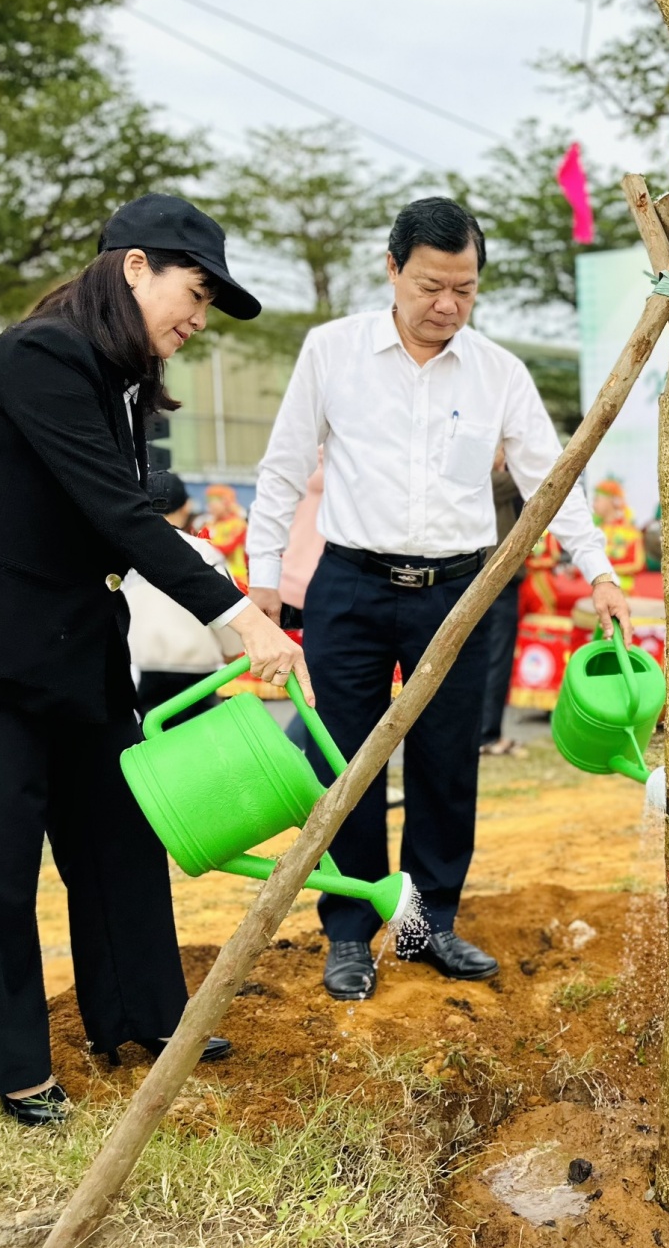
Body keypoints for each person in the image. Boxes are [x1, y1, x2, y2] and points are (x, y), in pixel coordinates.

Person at [0, 194, 307, 1126]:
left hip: (77, 649)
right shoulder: (39, 358)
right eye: (195, 294)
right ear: (134, 267)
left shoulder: (116, 378)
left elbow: (115, 511)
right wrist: (242, 618)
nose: (199, 319)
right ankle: (12, 1068)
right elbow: (117, 515)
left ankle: (146, 1016)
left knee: (118, 839)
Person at [247, 197, 630, 1002]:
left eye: (464, 287)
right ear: (392, 271)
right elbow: (282, 469)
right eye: (430, 286)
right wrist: (263, 580)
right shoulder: (332, 352)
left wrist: (597, 571)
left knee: (447, 764)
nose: (447, 305)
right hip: (348, 586)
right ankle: (351, 931)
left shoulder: (498, 372)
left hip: (458, 592)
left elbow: (552, 481)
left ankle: (427, 925)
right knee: (345, 763)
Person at [126, 471, 243, 724]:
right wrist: (232, 649)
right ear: (187, 504)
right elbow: (228, 607)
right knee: (197, 743)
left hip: (140, 666)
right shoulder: (202, 550)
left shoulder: (124, 553)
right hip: (197, 667)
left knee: (150, 739)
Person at [479, 448, 527, 758]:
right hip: (497, 583)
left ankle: (483, 732)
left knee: (485, 660)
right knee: (496, 661)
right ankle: (488, 734)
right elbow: (532, 478)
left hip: (482, 582)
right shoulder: (492, 482)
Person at [200, 483, 249, 587]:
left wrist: (205, 544)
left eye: (213, 502)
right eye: (208, 502)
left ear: (226, 502)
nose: (210, 506)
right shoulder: (210, 524)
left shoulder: (238, 524)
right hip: (215, 577)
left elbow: (227, 548)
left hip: (236, 579)